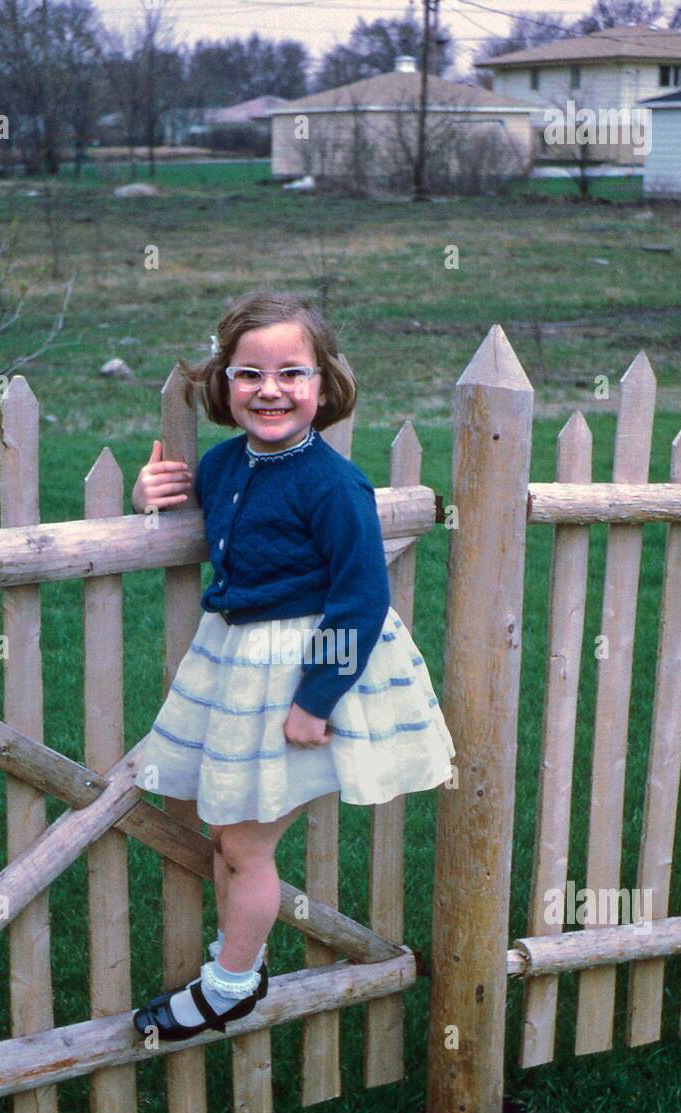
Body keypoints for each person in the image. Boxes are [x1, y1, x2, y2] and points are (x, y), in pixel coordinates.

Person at [130, 288, 455, 1042]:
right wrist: (146, 494)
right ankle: (236, 959)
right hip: (238, 667)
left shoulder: (332, 483)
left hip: (302, 674)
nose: (269, 389)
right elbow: (185, 516)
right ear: (223, 385)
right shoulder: (219, 466)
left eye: (291, 373)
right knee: (228, 834)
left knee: (243, 842)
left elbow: (362, 596)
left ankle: (231, 984)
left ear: (324, 385)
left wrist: (317, 699)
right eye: (248, 374)